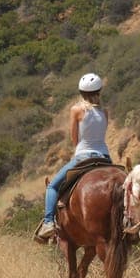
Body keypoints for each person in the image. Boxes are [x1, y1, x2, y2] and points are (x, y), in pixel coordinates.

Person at [38, 73, 112, 240]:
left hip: (83, 156)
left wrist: (79, 149)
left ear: (81, 92)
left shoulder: (76, 110)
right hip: (105, 157)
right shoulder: (105, 112)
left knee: (52, 187)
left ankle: (48, 222)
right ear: (99, 91)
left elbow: (74, 139)